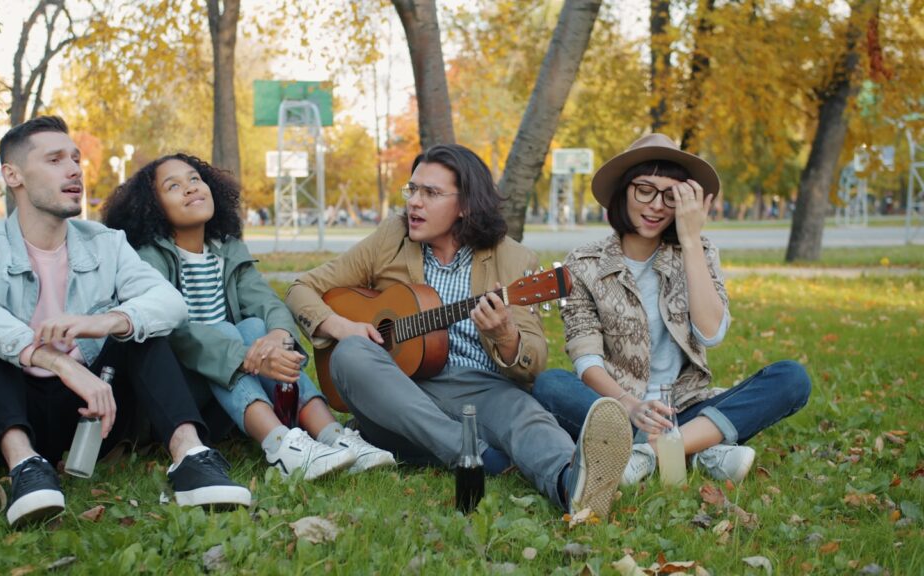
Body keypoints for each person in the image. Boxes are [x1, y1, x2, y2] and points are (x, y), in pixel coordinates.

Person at [0, 117, 250, 527]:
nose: (74, 169)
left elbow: (170, 304)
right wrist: (57, 362)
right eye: (55, 159)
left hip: (95, 413)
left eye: (76, 159)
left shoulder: (105, 242)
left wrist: (105, 322)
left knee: (140, 329)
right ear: (13, 175)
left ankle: (191, 457)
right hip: (6, 411)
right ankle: (25, 468)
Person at [285, 144, 633, 518]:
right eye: (412, 190)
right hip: (397, 393)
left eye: (430, 193)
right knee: (351, 354)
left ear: (465, 205)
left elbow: (533, 363)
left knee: (525, 416)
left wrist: (505, 335)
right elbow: (300, 288)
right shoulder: (392, 238)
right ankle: (476, 455)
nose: (414, 203)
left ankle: (573, 485)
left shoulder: (512, 258)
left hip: (479, 388)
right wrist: (343, 326)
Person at [532, 133, 811, 486]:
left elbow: (711, 333)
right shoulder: (584, 263)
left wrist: (691, 240)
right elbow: (585, 357)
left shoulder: (700, 251)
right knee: (550, 383)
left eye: (670, 195)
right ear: (623, 191)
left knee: (791, 378)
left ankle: (648, 453)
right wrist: (631, 405)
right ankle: (703, 449)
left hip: (685, 406)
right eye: (644, 189)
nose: (656, 206)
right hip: (618, 407)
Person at [102, 153, 394, 481]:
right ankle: (282, 446)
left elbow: (269, 304)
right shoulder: (148, 260)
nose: (189, 189)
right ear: (153, 206)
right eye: (173, 186)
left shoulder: (227, 251)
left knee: (257, 326)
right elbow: (176, 334)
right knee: (227, 331)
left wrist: (277, 338)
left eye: (194, 179)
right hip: (179, 402)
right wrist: (246, 358)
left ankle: (332, 436)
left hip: (226, 396)